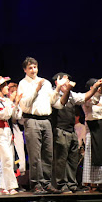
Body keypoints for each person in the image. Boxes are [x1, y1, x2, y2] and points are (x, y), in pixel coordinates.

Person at [16, 57, 62, 194]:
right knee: (35, 154)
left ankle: (46, 183)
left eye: (35, 67)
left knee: (48, 153)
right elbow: (24, 104)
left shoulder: (46, 82)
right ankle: (36, 184)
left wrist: (58, 88)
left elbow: (53, 101)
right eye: (30, 68)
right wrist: (36, 90)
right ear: (25, 69)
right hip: (31, 120)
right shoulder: (23, 83)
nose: (33, 70)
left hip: (46, 120)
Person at [50, 73, 100, 193]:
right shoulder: (53, 94)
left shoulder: (71, 94)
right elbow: (60, 102)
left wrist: (95, 87)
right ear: (57, 82)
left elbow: (84, 97)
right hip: (60, 130)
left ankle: (71, 184)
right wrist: (67, 89)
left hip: (71, 130)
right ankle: (61, 184)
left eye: (68, 81)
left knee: (73, 159)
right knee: (60, 160)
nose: (67, 83)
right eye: (64, 81)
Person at [0, 75, 21, 195]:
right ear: (0, 88)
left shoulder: (6, 101)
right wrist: (12, 102)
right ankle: (11, 186)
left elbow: (16, 116)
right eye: (5, 85)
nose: (7, 87)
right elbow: (4, 115)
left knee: (7, 160)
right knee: (6, 158)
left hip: (7, 131)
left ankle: (2, 188)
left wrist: (16, 104)